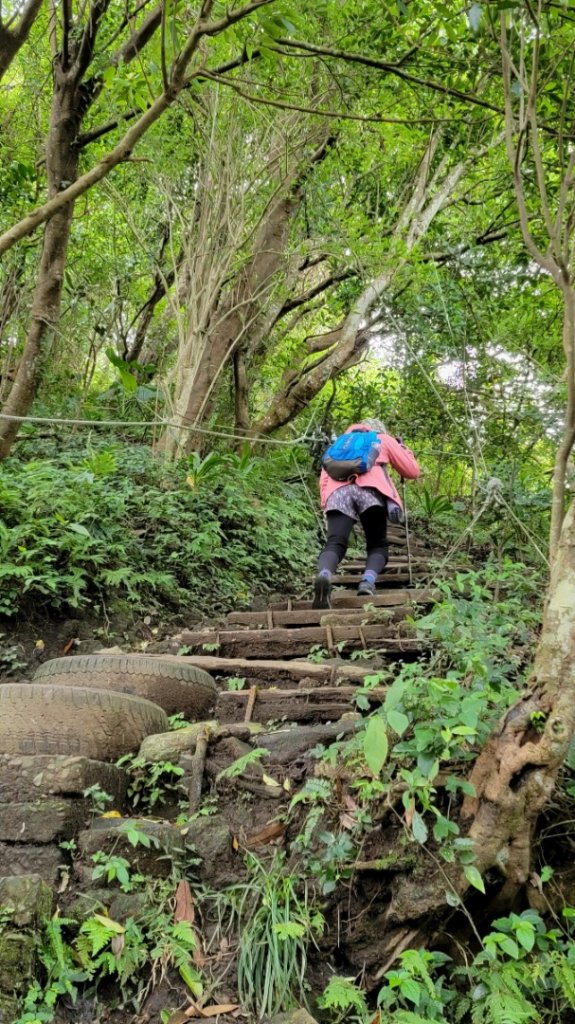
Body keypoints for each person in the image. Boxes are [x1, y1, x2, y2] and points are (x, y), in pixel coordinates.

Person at [313, 418, 421, 608]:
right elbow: (412, 471)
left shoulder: (340, 443)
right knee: (377, 544)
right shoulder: (381, 439)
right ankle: (367, 581)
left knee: (335, 542)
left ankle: (324, 575)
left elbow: (325, 475)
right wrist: (402, 448)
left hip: (337, 493)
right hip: (370, 491)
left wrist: (325, 504)